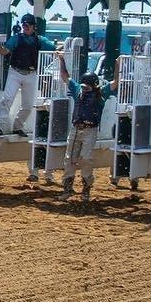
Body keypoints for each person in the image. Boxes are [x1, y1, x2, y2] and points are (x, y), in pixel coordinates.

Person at [56, 57, 112, 204]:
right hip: (76, 128)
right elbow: (65, 77)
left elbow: (115, 84)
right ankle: (67, 189)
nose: (84, 89)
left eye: (87, 87)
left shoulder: (101, 94)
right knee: (69, 159)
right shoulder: (77, 90)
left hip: (90, 130)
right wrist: (62, 60)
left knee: (86, 158)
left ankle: (86, 188)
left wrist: (118, 65)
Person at [0, 15, 57, 137]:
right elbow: (6, 50)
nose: (25, 27)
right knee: (7, 99)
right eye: (24, 25)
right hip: (15, 72)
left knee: (28, 105)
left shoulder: (40, 40)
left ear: (33, 26)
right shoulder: (16, 38)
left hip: (31, 74)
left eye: (28, 25)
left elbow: (53, 48)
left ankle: (18, 127)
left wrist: (60, 50)